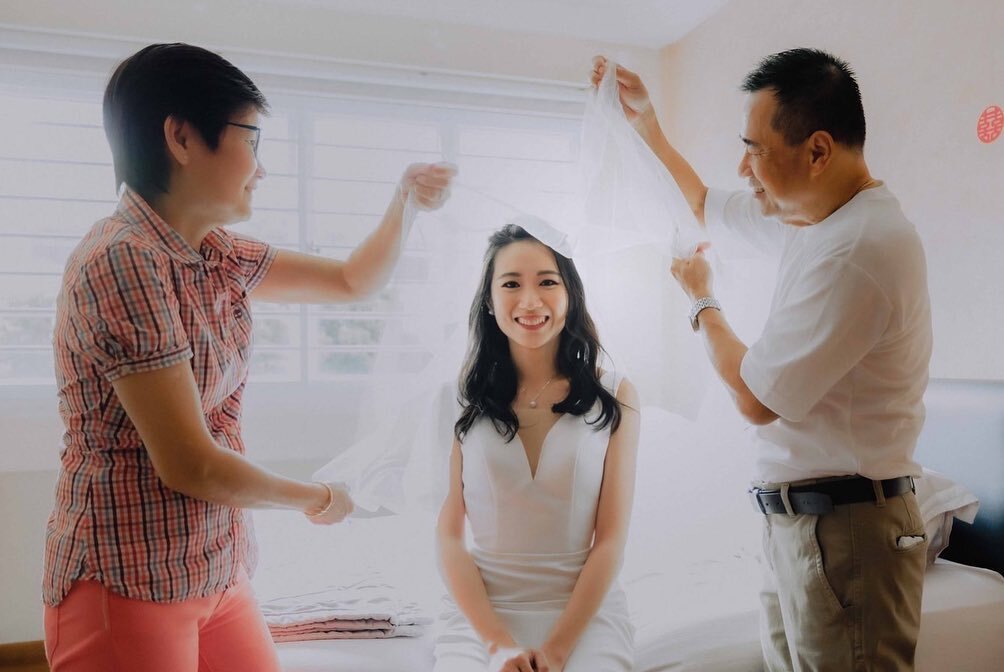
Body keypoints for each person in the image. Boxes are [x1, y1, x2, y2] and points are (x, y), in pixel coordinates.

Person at [42, 43, 454, 672]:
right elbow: (193, 467)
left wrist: (404, 202)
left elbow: (351, 282)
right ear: (180, 136)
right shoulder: (122, 260)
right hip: (130, 572)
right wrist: (317, 498)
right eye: (252, 139)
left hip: (214, 564)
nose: (261, 168)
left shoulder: (216, 254)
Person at [593, 49, 932, 671]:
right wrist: (647, 126)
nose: (743, 167)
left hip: (846, 530)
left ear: (818, 150)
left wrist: (703, 303)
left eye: (755, 149)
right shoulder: (813, 220)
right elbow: (700, 203)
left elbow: (757, 399)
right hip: (802, 526)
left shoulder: (859, 248)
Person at [434, 224, 639, 672]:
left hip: (584, 613)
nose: (530, 301)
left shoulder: (616, 392)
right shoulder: (456, 397)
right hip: (482, 615)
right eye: (511, 284)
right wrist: (496, 645)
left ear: (570, 295)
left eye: (547, 282)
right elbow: (449, 537)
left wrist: (558, 649)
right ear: (489, 301)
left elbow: (610, 541)